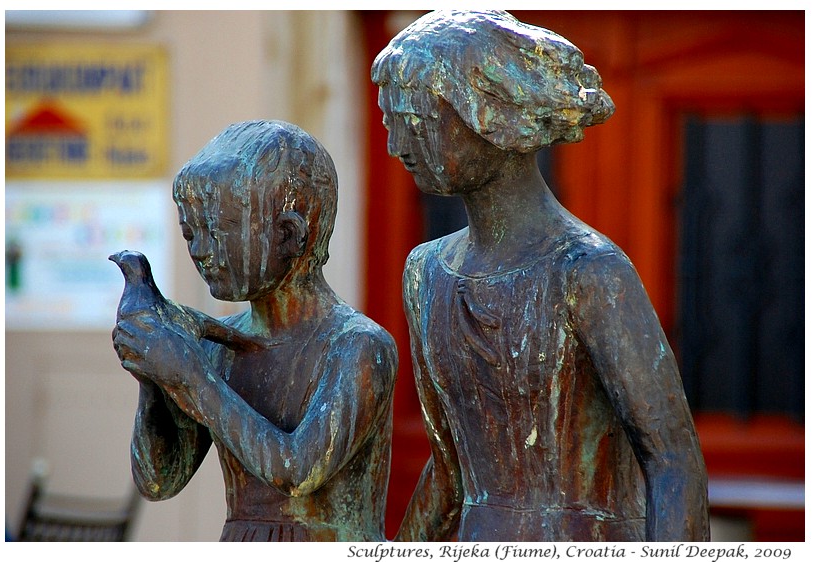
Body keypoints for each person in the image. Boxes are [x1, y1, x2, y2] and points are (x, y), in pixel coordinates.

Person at [372, 10, 709, 542]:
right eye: (390, 122)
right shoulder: (425, 273)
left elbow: (672, 460)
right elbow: (449, 470)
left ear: (490, 113)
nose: (397, 146)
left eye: (417, 121)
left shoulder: (588, 271)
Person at [112, 120, 397, 541]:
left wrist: (187, 375)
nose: (201, 251)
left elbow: (299, 470)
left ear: (288, 236)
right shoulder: (218, 345)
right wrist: (153, 373)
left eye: (220, 231)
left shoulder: (358, 347)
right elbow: (159, 480)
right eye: (191, 233)